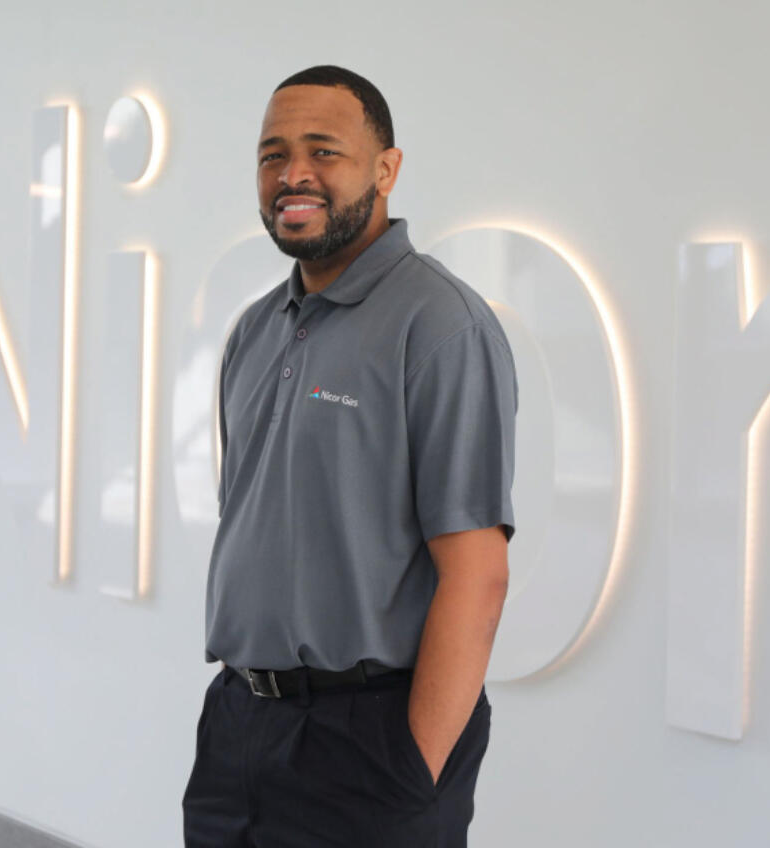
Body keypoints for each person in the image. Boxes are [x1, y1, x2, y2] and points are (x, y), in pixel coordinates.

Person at [182, 64, 518, 847]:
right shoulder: (256, 331)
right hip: (239, 727)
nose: (293, 174)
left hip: (369, 740)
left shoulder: (440, 326)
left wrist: (411, 773)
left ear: (386, 169)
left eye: (323, 150)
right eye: (273, 155)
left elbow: (478, 573)